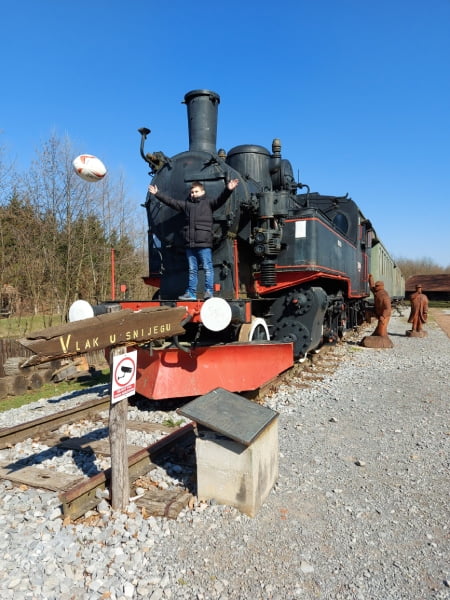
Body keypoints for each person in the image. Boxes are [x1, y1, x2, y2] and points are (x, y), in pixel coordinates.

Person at [148, 179, 239, 300]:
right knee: (192, 270)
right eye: (192, 192)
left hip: (204, 243)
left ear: (202, 192)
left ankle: (209, 292)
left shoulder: (209, 203)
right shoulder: (187, 206)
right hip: (190, 244)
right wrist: (157, 194)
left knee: (207, 268)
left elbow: (221, 199)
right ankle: (191, 293)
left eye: (196, 191)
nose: (193, 194)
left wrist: (228, 189)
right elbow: (171, 202)